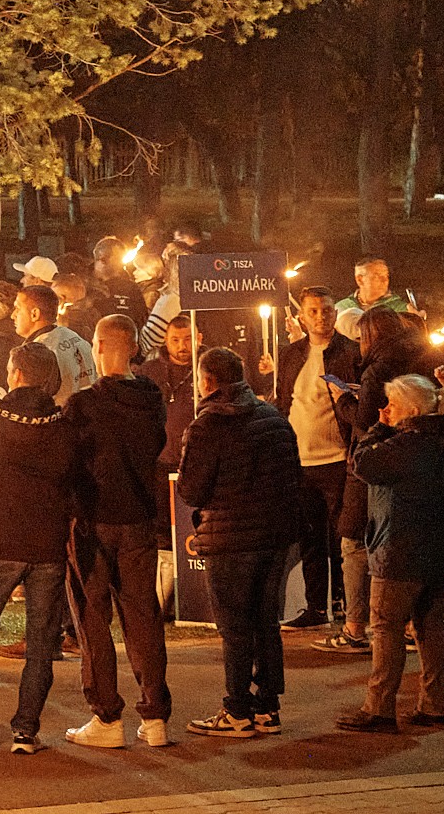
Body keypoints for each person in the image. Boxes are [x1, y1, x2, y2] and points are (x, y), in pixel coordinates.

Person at [0, 346, 92, 750]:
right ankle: (26, 730)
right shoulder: (64, 426)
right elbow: (76, 479)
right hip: (46, 542)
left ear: (14, 374)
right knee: (42, 641)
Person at [177, 344, 305, 737]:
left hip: (230, 538)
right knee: (265, 621)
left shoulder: (207, 425)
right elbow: (291, 475)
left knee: (234, 626)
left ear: (209, 380)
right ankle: (268, 707)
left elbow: (192, 490)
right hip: (274, 536)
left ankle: (236, 709)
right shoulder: (273, 417)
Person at [66, 315, 174, 746]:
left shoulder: (84, 405)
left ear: (100, 346)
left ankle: (107, 716)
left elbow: (71, 461)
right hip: (140, 517)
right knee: (143, 615)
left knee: (93, 617)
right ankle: (155, 716)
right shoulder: (151, 398)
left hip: (94, 521)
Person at [337, 374, 444, 734]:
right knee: (430, 627)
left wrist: (378, 428)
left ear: (410, 409)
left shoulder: (411, 444)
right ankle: (435, 706)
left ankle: (379, 709)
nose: (386, 409)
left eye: (392, 404)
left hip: (402, 550)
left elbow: (361, 464)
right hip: (441, 548)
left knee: (386, 627)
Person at [273, 286, 361, 631]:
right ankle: (315, 607)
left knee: (343, 536)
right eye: (313, 311)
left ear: (335, 313)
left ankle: (342, 604)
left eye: (326, 310)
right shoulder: (291, 354)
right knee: (309, 537)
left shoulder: (351, 353)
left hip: (338, 460)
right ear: (302, 316)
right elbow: (284, 401)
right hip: (301, 462)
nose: (320, 317)